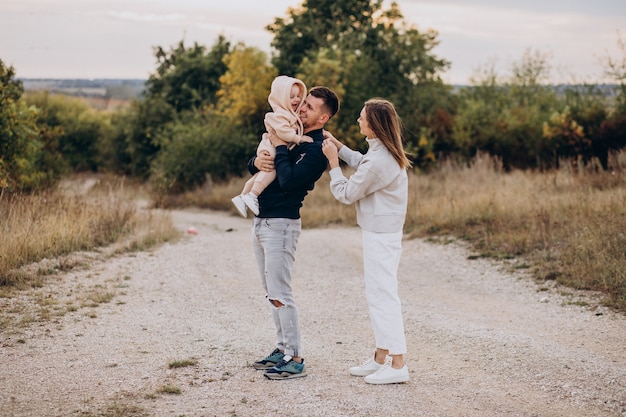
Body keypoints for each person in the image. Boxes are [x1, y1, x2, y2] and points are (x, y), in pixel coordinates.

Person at [249, 86, 340, 380]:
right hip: (262, 220)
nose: (302, 108)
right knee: (271, 291)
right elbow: (259, 164)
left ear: (324, 117)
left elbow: (288, 182)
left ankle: (295, 357)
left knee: (281, 292)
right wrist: (256, 162)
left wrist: (277, 150)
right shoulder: (289, 130)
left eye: (310, 107)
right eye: (303, 103)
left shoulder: (315, 150)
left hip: (282, 225)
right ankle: (282, 349)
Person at [321, 98, 412, 385]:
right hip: (380, 232)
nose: (358, 121)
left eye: (362, 118)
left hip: (381, 236)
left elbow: (347, 193)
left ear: (374, 123)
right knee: (377, 295)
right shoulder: (381, 152)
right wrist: (339, 145)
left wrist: (333, 164)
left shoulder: (382, 160)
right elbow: (364, 163)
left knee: (384, 297)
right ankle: (380, 357)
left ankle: (398, 364)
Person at [231, 75, 312, 218]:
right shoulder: (281, 115)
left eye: (299, 96)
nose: (297, 100)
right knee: (272, 168)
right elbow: (283, 132)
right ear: (281, 99)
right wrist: (298, 139)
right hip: (270, 147)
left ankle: (243, 195)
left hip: (270, 146)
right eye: (291, 97)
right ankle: (253, 195)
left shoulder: (290, 114)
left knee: (260, 173)